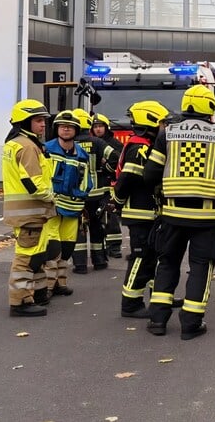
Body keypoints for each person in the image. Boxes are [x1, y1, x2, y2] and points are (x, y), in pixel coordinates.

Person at [143, 85, 215, 340]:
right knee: (200, 267)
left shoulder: (167, 134)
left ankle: (157, 320)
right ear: (210, 107)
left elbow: (150, 174)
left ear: (186, 104)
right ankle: (191, 323)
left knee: (167, 263)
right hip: (206, 220)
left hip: (172, 215)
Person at [112, 100, 169, 318]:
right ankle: (131, 304)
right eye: (162, 123)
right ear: (151, 121)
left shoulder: (146, 145)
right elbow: (126, 179)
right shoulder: (140, 148)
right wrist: (117, 201)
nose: (164, 128)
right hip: (140, 213)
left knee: (152, 257)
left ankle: (158, 297)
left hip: (148, 213)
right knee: (141, 257)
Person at [2, 99, 55, 317]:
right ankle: (20, 302)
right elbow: (33, 182)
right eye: (39, 121)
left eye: (44, 121)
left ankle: (39, 293)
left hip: (25, 212)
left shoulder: (16, 143)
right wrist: (52, 197)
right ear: (25, 121)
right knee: (25, 258)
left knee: (38, 254)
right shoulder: (27, 146)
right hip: (30, 212)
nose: (43, 125)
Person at [42, 110, 93, 299]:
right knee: (52, 247)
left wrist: (83, 195)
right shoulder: (46, 149)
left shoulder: (82, 154)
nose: (66, 129)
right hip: (52, 205)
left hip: (73, 207)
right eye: (62, 126)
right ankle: (47, 286)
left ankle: (60, 283)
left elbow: (87, 178)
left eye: (70, 126)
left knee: (67, 247)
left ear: (76, 130)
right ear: (56, 129)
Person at [71, 108, 116, 272]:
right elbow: (116, 157)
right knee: (97, 227)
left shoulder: (69, 143)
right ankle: (100, 262)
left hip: (76, 195)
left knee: (79, 229)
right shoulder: (97, 142)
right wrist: (106, 168)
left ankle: (80, 265)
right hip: (97, 195)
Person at [91, 113, 125, 259]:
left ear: (106, 128)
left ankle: (115, 247)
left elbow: (119, 162)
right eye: (95, 127)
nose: (98, 129)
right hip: (96, 183)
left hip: (110, 182)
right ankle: (102, 246)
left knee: (111, 215)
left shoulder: (115, 144)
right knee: (97, 217)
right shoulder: (91, 142)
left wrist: (107, 167)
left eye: (101, 126)